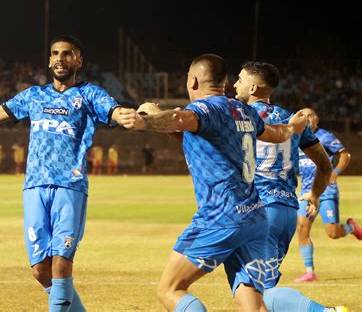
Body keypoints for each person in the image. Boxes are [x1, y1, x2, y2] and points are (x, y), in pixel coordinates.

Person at [0, 35, 137, 312]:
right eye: (55, 53)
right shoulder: (33, 96)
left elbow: (114, 111)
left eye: (67, 54)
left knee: (61, 263)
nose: (60, 59)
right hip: (33, 189)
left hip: (70, 185)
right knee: (41, 271)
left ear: (78, 60)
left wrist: (123, 115)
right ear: (49, 60)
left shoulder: (90, 94)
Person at [129, 54, 308, 311]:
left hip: (220, 217)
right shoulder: (243, 110)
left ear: (192, 81)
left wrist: (146, 118)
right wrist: (294, 127)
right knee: (253, 304)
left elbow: (180, 118)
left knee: (170, 289)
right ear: (225, 83)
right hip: (255, 218)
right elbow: (277, 134)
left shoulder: (204, 109)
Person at [234, 61, 348, 312]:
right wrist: (315, 195)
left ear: (253, 87)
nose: (234, 84)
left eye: (240, 79)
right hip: (286, 210)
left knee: (254, 292)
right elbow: (325, 166)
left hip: (258, 209)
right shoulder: (292, 119)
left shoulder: (242, 116)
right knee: (258, 290)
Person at [295, 108, 362, 283]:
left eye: (310, 115)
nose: (307, 118)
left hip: (326, 191)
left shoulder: (324, 136)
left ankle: (350, 228)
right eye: (303, 115)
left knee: (332, 233)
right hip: (306, 192)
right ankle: (310, 272)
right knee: (302, 228)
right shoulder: (297, 138)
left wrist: (335, 173)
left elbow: (345, 155)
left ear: (316, 119)